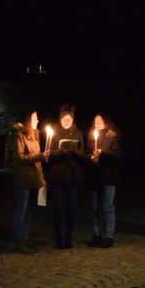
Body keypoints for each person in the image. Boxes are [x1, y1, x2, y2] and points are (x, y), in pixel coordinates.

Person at [45, 105, 85, 249]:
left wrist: (74, 152)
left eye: (69, 119)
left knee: (71, 207)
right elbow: (48, 152)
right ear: (60, 119)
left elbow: (82, 153)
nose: (67, 122)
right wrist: (60, 151)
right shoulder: (54, 132)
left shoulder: (78, 133)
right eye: (64, 119)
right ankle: (58, 237)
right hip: (58, 175)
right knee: (57, 206)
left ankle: (68, 236)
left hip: (73, 176)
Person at [10, 111, 49, 253]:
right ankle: (19, 240)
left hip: (34, 178)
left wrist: (41, 179)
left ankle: (25, 238)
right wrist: (39, 156)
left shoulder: (35, 134)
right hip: (24, 177)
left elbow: (37, 161)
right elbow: (19, 158)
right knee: (21, 209)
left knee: (30, 210)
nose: (37, 120)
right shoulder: (18, 135)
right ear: (27, 120)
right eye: (34, 118)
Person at [86, 114, 122, 248]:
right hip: (95, 177)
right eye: (95, 122)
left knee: (108, 207)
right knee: (95, 207)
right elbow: (87, 153)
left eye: (100, 121)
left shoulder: (111, 136)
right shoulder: (91, 137)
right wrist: (91, 158)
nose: (97, 124)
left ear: (105, 122)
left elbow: (118, 155)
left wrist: (103, 152)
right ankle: (96, 235)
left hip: (108, 176)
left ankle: (108, 236)